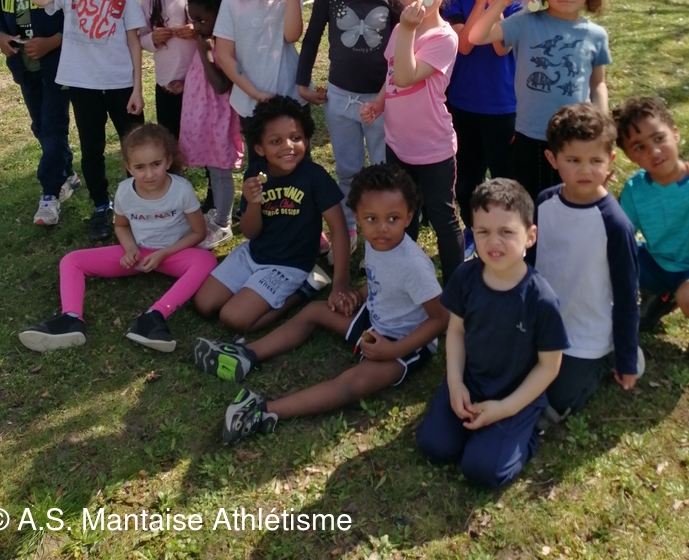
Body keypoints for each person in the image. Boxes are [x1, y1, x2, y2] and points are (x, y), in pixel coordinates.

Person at [195, 163, 448, 445]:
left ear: (409, 216)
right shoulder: (377, 243)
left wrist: (394, 350)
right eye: (372, 218)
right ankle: (246, 354)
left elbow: (441, 319)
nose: (382, 228)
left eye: (393, 218)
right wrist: (358, 295)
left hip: (406, 343)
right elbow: (384, 279)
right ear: (358, 218)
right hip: (374, 320)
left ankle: (264, 410)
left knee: (353, 384)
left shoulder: (414, 266)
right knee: (315, 311)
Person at [416, 179, 567, 488]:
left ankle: (528, 431)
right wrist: (455, 383)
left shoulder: (541, 299)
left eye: (506, 232)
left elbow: (549, 366)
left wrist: (505, 408)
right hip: (471, 383)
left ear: (530, 236)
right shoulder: (466, 277)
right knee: (434, 447)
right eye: (483, 232)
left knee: (482, 471)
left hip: (515, 394)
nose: (493, 242)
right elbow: (456, 331)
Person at [18, 125, 212, 353]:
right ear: (128, 167)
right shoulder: (124, 192)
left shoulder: (182, 190)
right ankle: (71, 318)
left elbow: (198, 233)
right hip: (138, 254)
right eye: (139, 167)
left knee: (206, 261)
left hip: (173, 255)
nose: (149, 174)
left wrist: (164, 253)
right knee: (71, 261)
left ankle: (153, 317)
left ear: (168, 161)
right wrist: (129, 249)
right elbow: (121, 226)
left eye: (156, 164)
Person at [469, 0, 611, 203]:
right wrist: (501, 1)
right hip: (530, 139)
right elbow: (476, 36)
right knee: (530, 208)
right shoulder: (525, 22)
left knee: (573, 204)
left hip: (576, 141)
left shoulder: (596, 35)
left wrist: (603, 128)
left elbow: (597, 84)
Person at [192, 96, 354, 331]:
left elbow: (339, 231)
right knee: (204, 304)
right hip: (252, 254)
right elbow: (249, 233)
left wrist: (341, 283)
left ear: (306, 139)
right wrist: (253, 203)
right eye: (276, 141)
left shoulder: (315, 177)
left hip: (289, 265)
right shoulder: (255, 174)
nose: (288, 146)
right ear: (259, 147)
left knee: (234, 318)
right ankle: (255, 290)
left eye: (296, 138)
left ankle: (304, 290)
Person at [31, 0, 145, 241]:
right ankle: (100, 206)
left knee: (136, 147)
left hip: (121, 84)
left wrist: (138, 88)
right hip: (84, 86)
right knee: (92, 150)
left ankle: (140, 204)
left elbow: (134, 42)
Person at [297, 0, 400, 256]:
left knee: (384, 169)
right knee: (348, 169)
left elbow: (407, 44)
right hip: (339, 99)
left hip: (381, 102)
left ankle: (384, 229)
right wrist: (302, 82)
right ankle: (349, 228)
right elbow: (311, 40)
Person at [361, 0, 462, 284]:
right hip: (398, 143)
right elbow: (392, 73)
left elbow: (407, 76)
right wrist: (379, 102)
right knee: (404, 211)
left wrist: (407, 29)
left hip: (433, 148)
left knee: (443, 217)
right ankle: (405, 276)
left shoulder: (443, 38)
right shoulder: (402, 31)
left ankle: (455, 286)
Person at [531, 104, 641, 422]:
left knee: (555, 399)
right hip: (545, 324)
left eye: (595, 161)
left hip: (586, 335)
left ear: (611, 161)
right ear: (552, 159)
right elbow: (531, 266)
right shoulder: (544, 203)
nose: (585, 171)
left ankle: (608, 359)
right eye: (573, 160)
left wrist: (627, 359)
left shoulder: (615, 224)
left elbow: (626, 295)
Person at [613, 96, 689, 368]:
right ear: (629, 156)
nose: (654, 151)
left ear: (675, 133)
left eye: (659, 138)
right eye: (639, 147)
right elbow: (620, 240)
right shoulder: (635, 189)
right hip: (657, 262)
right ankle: (659, 296)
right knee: (613, 259)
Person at [0, 0, 79, 226]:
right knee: (41, 127)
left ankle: (50, 195)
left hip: (57, 70)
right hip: (25, 70)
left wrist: (52, 42)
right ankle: (67, 174)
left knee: (53, 128)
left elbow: (76, 23)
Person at [445, 0, 521, 227]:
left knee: (506, 175)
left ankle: (510, 229)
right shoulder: (456, 0)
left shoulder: (516, 3)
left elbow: (502, 47)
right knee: (466, 177)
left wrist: (496, 2)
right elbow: (463, 46)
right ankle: (473, 227)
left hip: (504, 106)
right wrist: (480, 3)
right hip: (463, 104)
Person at [213, 0, 306, 130]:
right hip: (250, 104)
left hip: (290, 99)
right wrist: (255, 93)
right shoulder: (231, 3)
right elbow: (224, 56)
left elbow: (292, 36)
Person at [179, 0, 243, 249]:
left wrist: (205, 53)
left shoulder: (223, 46)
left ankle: (224, 223)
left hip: (218, 118)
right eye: (193, 20)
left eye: (202, 20)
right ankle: (217, 213)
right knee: (212, 167)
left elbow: (220, 85)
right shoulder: (207, 40)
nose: (196, 26)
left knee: (219, 169)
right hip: (203, 116)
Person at [139, 0, 202, 140]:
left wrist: (196, 30)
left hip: (198, 84)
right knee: (170, 139)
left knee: (199, 137)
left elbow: (214, 33)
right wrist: (153, 38)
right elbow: (141, 38)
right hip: (165, 83)